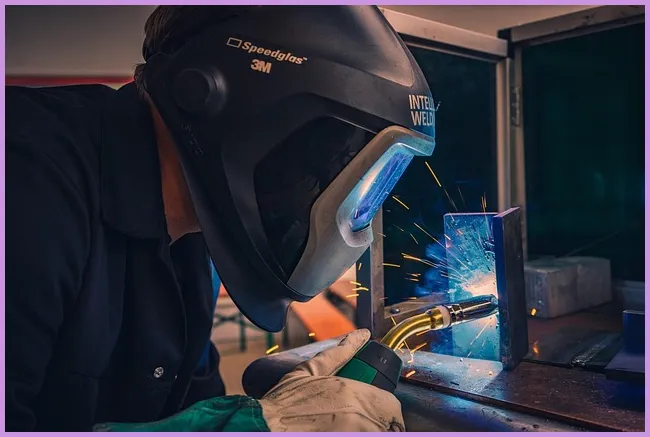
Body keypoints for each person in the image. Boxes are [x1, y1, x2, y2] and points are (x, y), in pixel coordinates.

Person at [6, 5, 436, 432]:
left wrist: (281, 411)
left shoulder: (197, 232)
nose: (321, 186)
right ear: (212, 96)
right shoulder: (25, 178)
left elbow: (190, 408)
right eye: (325, 159)